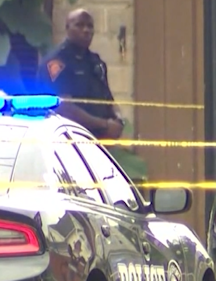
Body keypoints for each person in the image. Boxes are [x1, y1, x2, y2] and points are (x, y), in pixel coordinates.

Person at [37, 8, 148, 184]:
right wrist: (104, 124)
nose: (86, 30)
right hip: (69, 144)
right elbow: (65, 107)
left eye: (90, 26)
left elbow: (108, 98)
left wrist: (118, 120)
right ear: (67, 28)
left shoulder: (96, 62)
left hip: (98, 144)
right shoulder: (57, 62)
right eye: (79, 25)